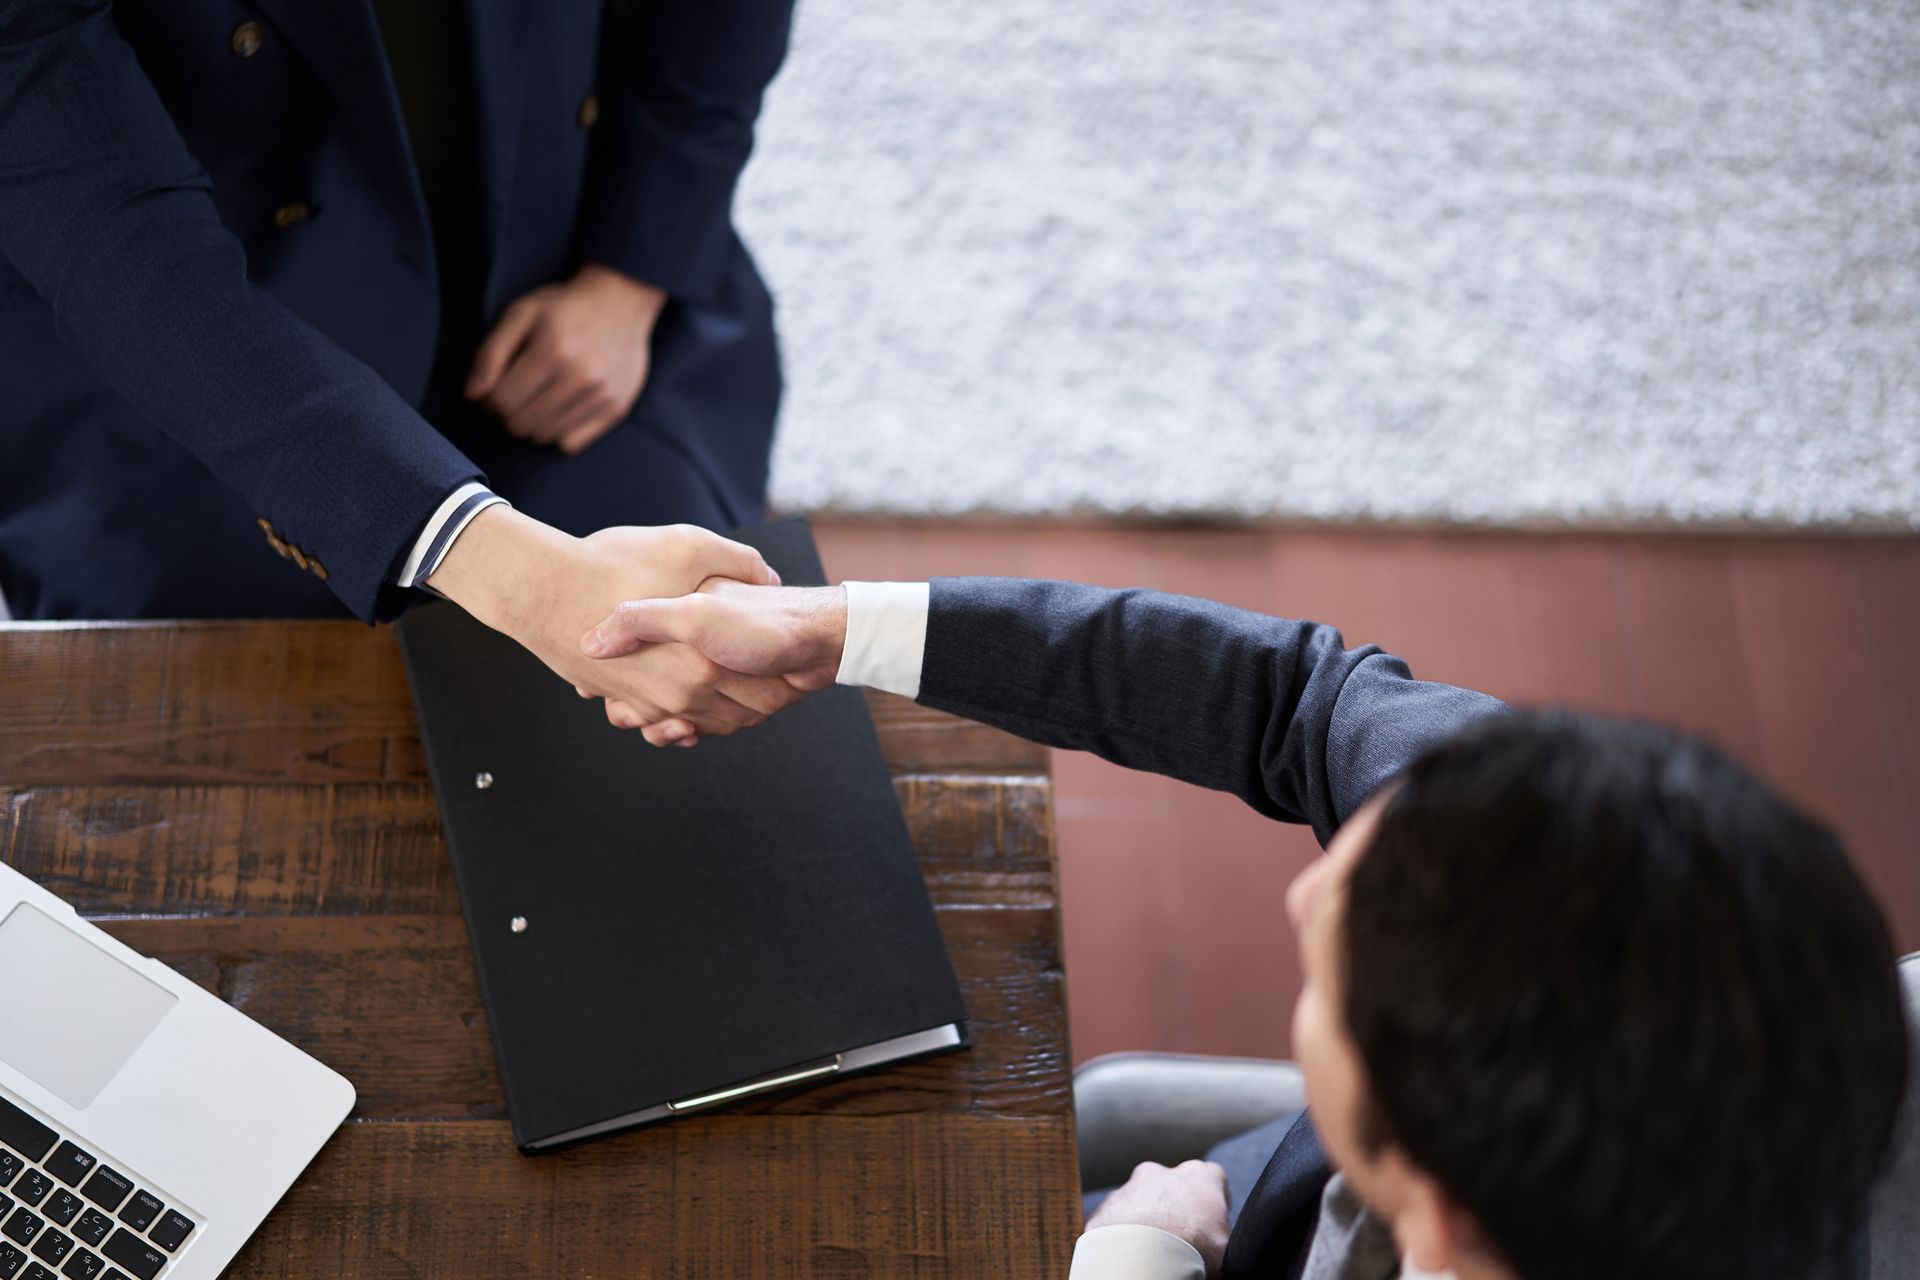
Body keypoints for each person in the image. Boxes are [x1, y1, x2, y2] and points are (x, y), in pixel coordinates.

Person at [572, 577, 1912, 1279]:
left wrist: (1138, 1262)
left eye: (1327, 976)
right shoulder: (1556, 845)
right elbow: (1295, 694)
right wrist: (837, 630)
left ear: (1427, 1220)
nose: (1303, 888)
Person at [0, 0, 793, 638]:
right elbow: (112, 228)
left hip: (568, 326)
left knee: (719, 774)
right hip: (190, 405)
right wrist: (509, 571)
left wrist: (629, 276)